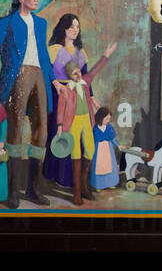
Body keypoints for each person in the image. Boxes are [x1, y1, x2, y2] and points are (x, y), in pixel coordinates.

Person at [0, 0, 55, 208]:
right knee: (15, 130)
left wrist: (55, 81)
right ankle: (12, 191)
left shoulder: (41, 23)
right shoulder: (7, 22)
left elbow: (43, 54)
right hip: (16, 77)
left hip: (40, 77)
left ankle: (33, 188)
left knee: (41, 130)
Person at [42, 14, 115, 191]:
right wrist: (56, 84)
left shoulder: (81, 53)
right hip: (60, 94)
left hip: (79, 96)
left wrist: (91, 97)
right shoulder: (53, 50)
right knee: (59, 134)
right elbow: (47, 73)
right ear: (64, 28)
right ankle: (54, 175)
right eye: (71, 26)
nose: (75, 30)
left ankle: (73, 180)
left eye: (77, 26)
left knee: (78, 139)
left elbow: (86, 78)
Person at [52, 55, 110, 205]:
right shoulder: (66, 89)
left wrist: (106, 56)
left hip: (86, 120)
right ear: (69, 76)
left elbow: (94, 70)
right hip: (73, 123)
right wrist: (59, 126)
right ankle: (77, 192)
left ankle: (84, 187)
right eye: (75, 73)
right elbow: (60, 110)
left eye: (79, 72)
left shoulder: (85, 83)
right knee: (76, 154)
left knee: (90, 150)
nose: (78, 75)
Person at [91, 107, 120, 192]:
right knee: (99, 167)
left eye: (109, 119)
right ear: (100, 118)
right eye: (106, 119)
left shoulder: (109, 128)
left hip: (108, 149)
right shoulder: (95, 129)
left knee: (110, 166)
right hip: (98, 150)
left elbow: (112, 139)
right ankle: (98, 185)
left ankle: (110, 183)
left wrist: (118, 146)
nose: (108, 120)